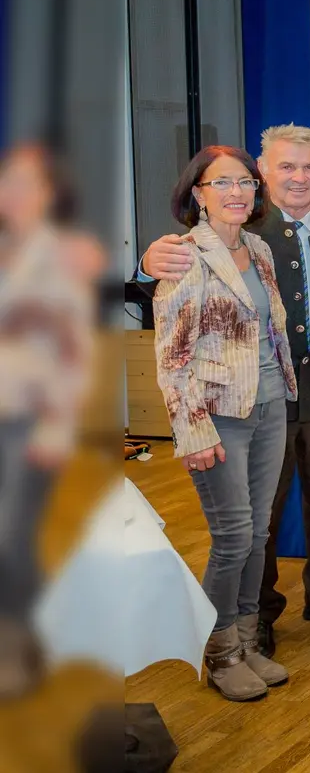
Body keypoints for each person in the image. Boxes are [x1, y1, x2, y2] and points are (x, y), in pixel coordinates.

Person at [140, 124, 310, 658]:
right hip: (247, 402)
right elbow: (173, 295)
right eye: (285, 167)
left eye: (309, 167)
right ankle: (259, 614)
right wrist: (145, 260)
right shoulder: (243, 228)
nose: (299, 177)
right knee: (258, 517)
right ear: (264, 174)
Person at [152, 146, 296, 700]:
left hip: (271, 405)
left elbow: (271, 332)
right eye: (222, 183)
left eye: (245, 182)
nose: (237, 192)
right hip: (217, 416)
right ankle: (218, 651)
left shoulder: (258, 249)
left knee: (258, 533)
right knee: (233, 536)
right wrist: (191, 431)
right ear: (199, 194)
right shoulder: (185, 256)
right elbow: (172, 359)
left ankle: (247, 638)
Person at [0, 144, 98, 699]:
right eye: (7, 182)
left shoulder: (65, 256)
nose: (13, 193)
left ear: (49, 194)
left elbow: (75, 347)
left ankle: (19, 647)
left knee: (13, 535)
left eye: (27, 184)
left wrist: (58, 425)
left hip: (31, 419)